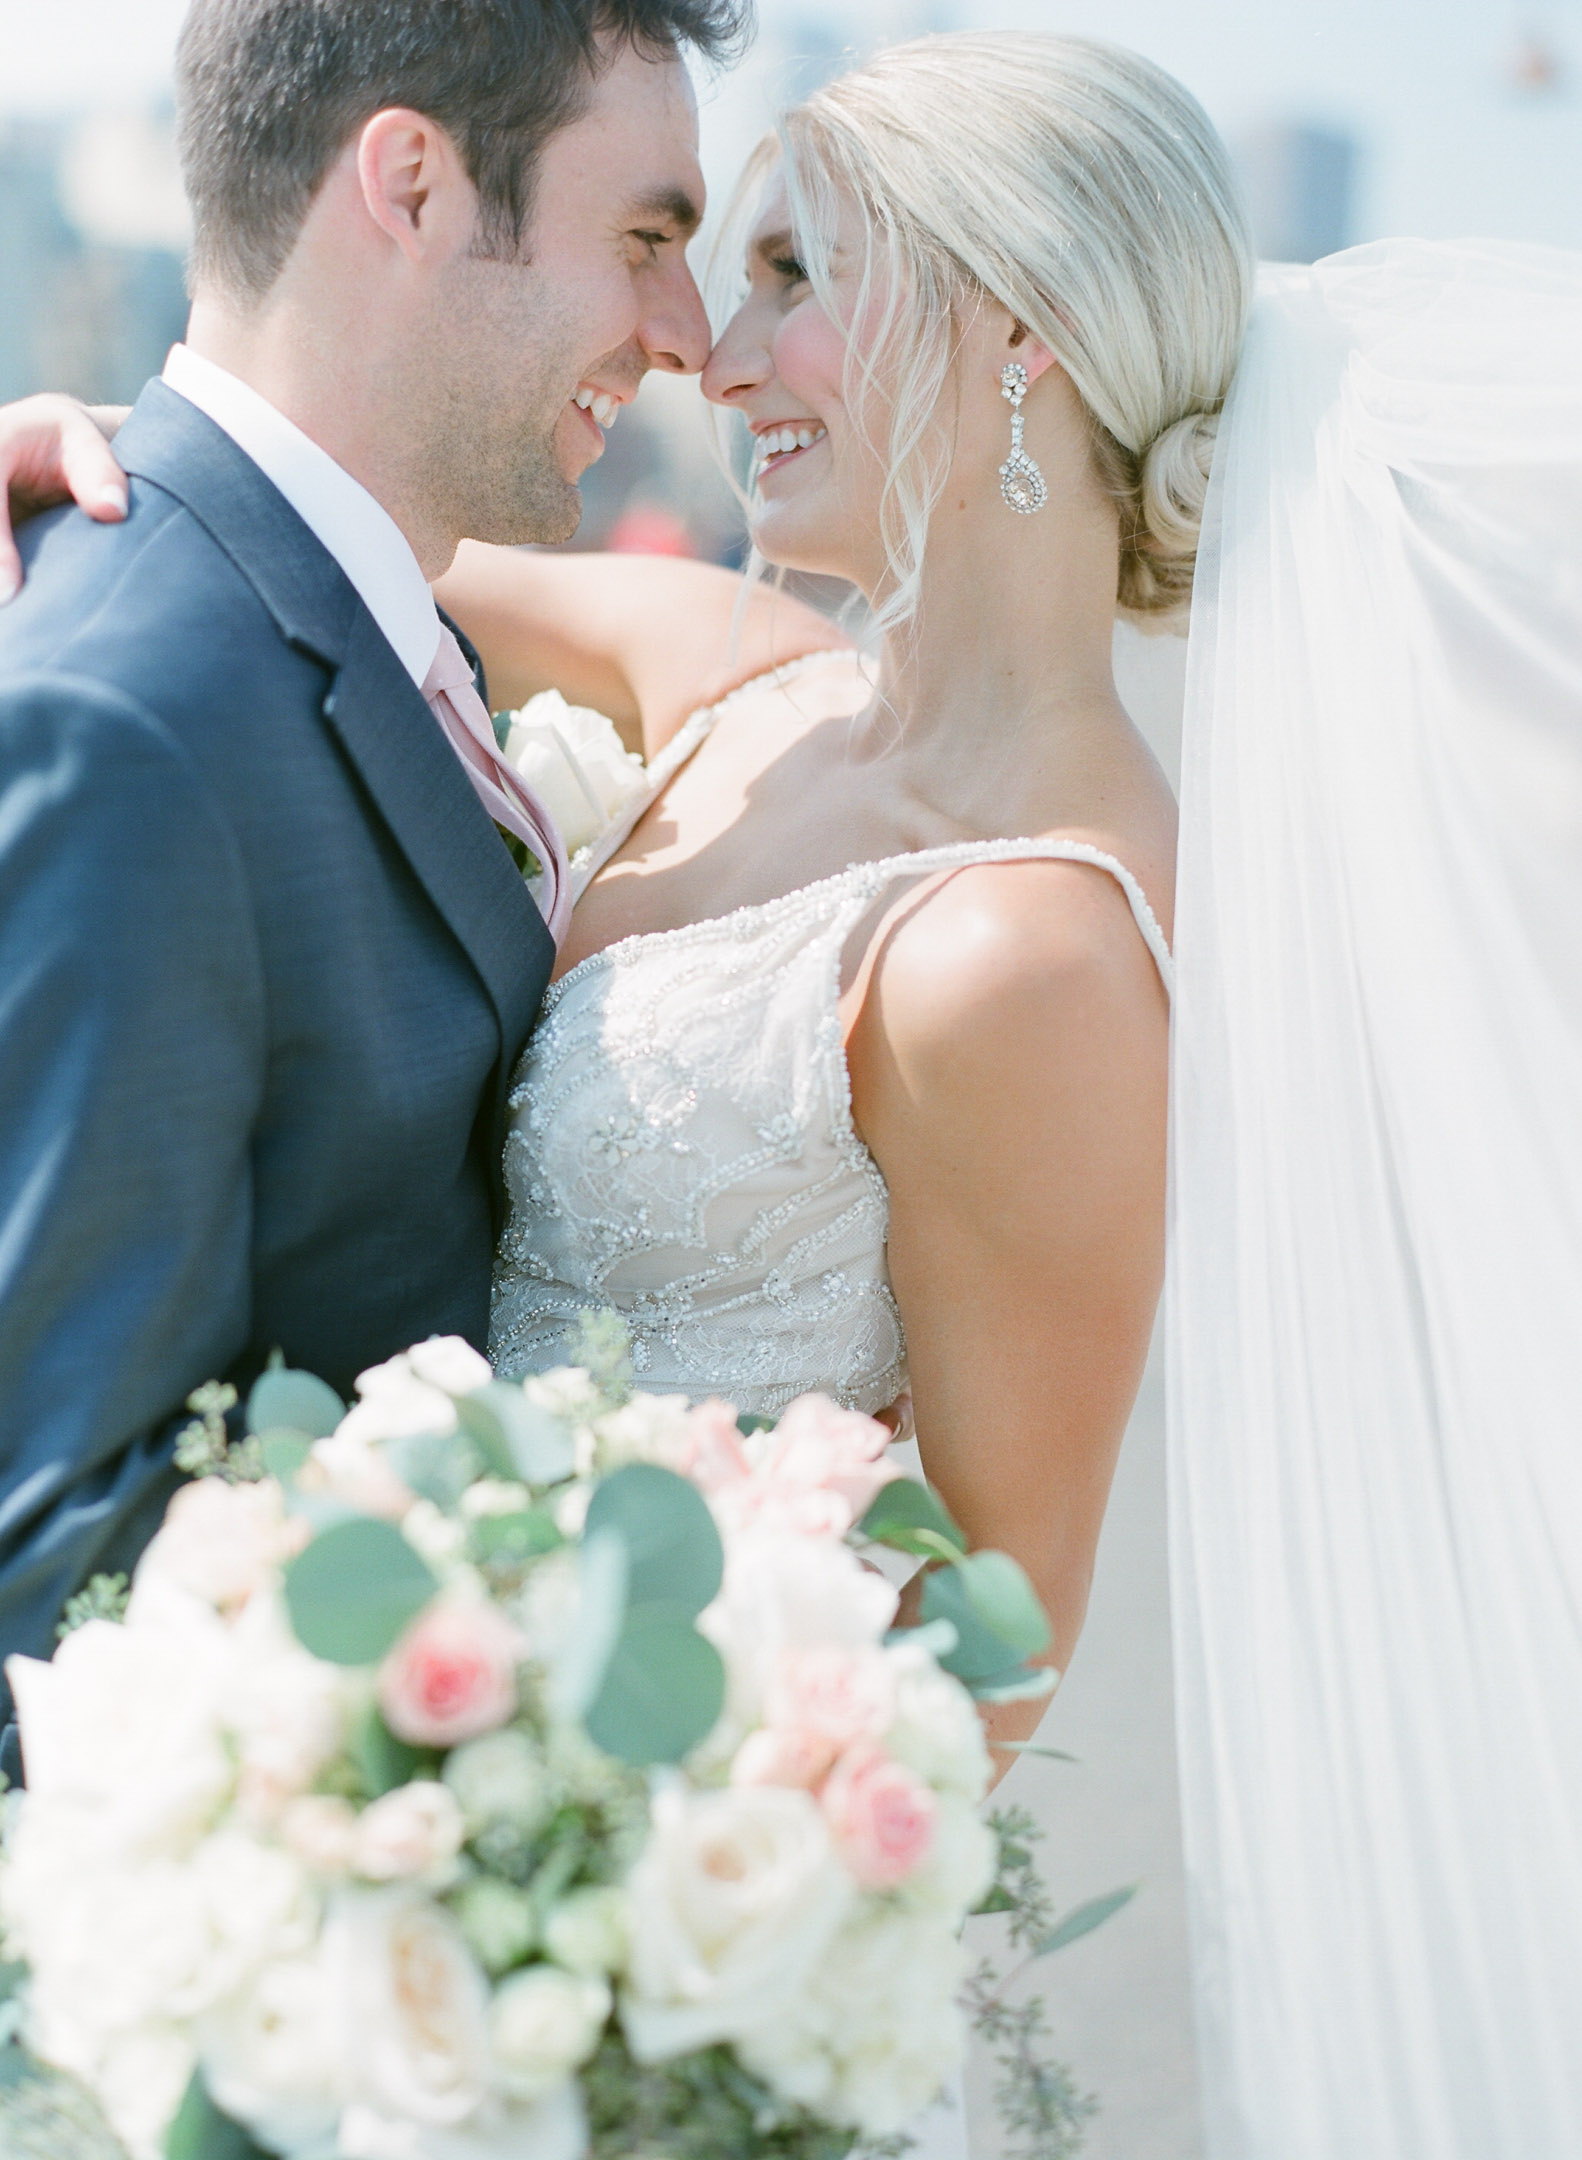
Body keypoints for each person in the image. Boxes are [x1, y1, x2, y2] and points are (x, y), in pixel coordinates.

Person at [0, 0, 784, 1778]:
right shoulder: (124, 721)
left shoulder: (360, 604)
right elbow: (56, 1578)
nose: (684, 333)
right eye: (647, 238)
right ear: (415, 186)